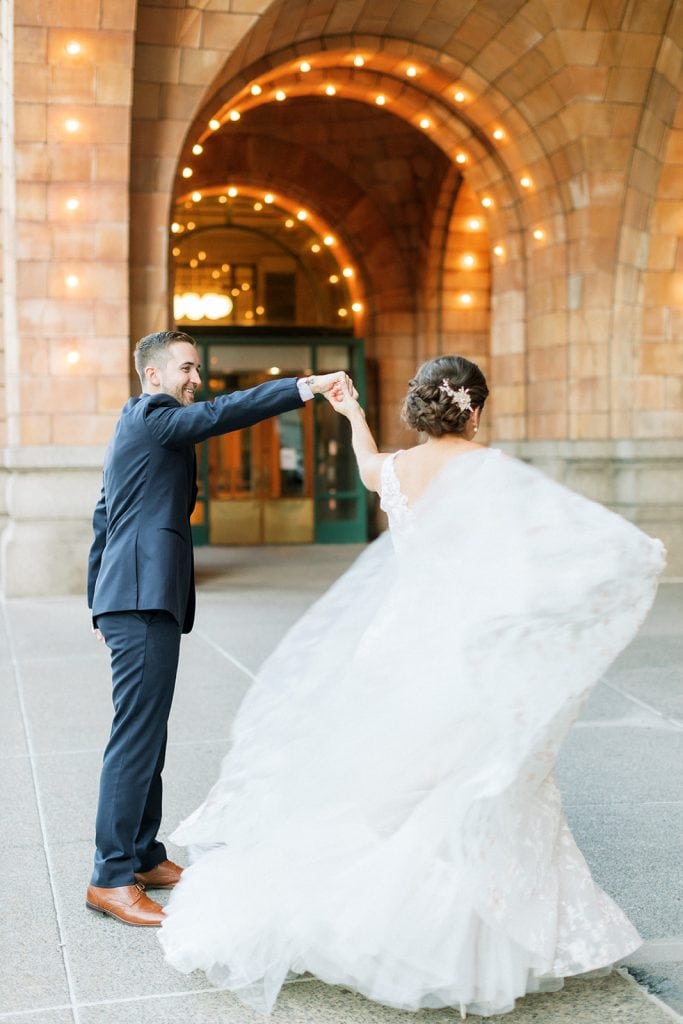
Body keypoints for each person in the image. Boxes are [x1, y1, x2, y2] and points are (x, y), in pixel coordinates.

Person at [159, 355, 665, 1017]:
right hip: (468, 653)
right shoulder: (492, 470)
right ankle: (457, 936)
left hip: (395, 647)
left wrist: (352, 416)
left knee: (385, 786)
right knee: (474, 786)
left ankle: (361, 920)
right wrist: (635, 557)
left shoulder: (396, 470)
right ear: (475, 409)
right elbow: (555, 545)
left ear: (421, 410)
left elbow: (369, 470)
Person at [86, 328, 352, 926]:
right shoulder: (156, 416)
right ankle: (108, 876)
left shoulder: (138, 421)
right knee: (134, 738)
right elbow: (225, 412)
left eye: (197, 369)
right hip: (140, 597)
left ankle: (143, 854)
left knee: (146, 733)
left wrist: (96, 600)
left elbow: (104, 512)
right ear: (152, 374)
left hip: (132, 597)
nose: (195, 379)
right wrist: (304, 387)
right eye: (185, 368)